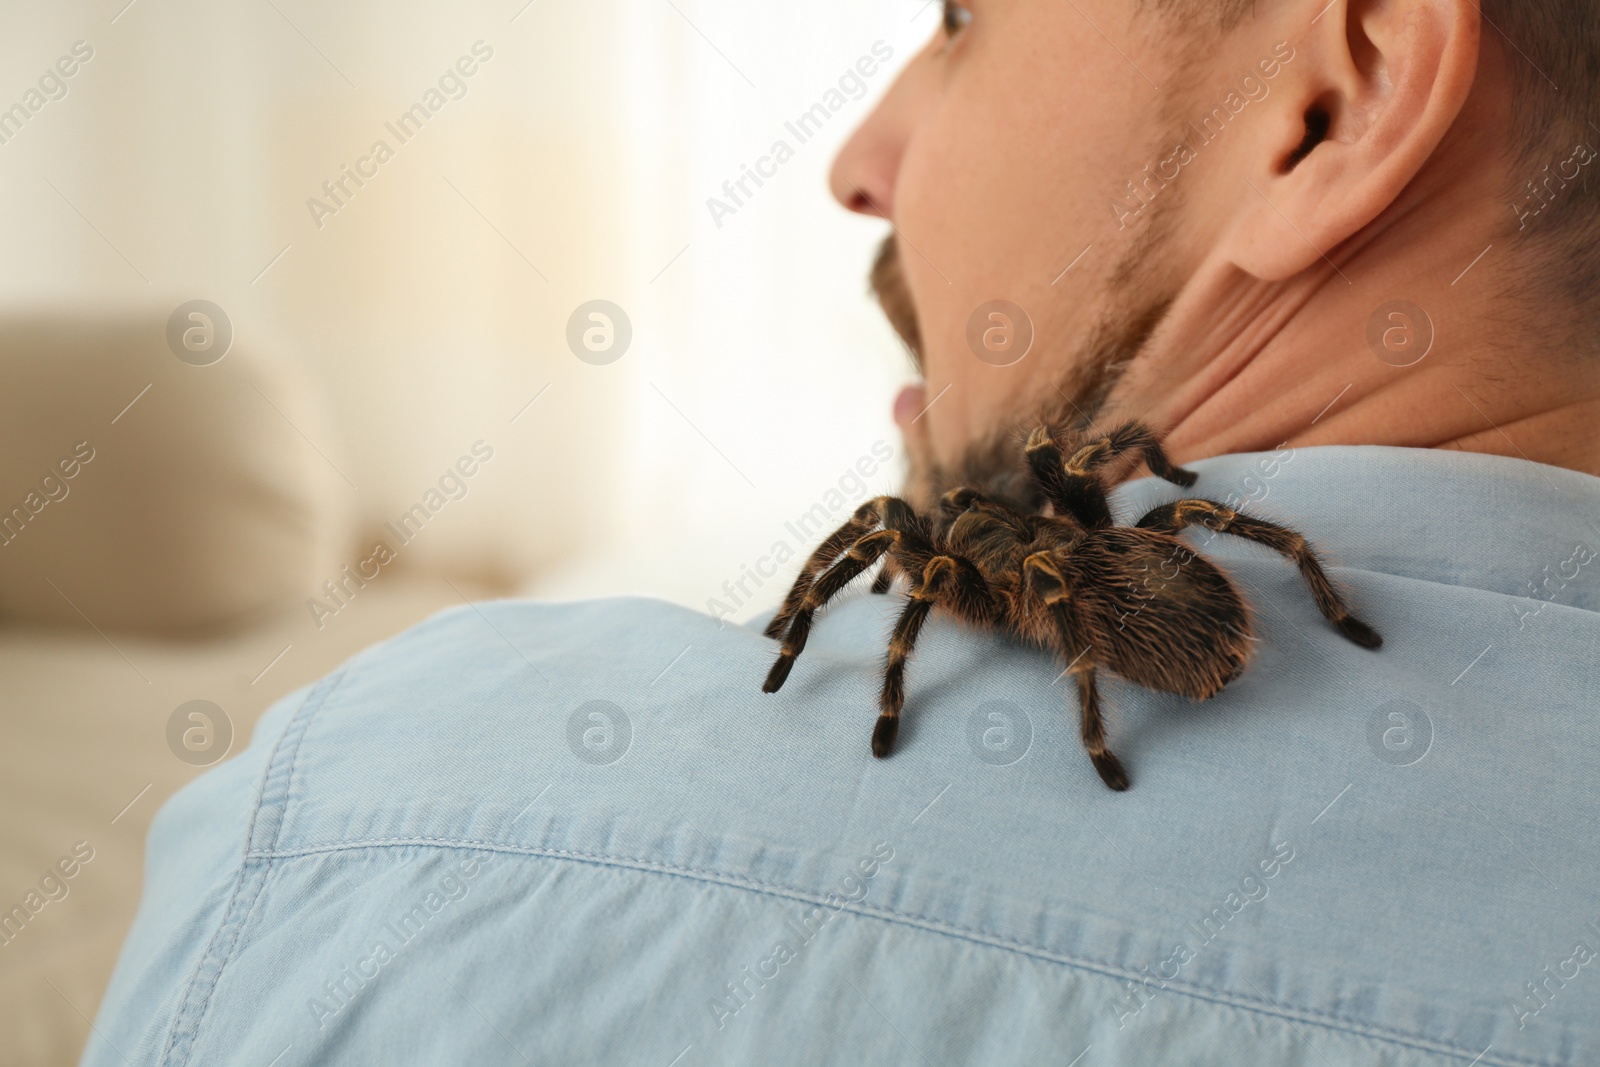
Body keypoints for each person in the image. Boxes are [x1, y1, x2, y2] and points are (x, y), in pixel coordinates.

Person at [88, 1, 1600, 1063]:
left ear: (1333, 101)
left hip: (1122, 632)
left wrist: (877, 690)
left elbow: (954, 575)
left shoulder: (371, 834)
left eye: (960, 21)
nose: (854, 161)